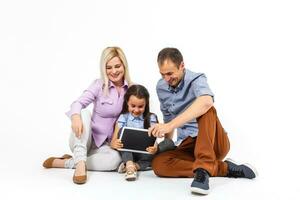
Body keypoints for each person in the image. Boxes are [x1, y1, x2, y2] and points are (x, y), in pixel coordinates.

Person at [149, 47, 258, 195]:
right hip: (187, 145)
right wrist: (165, 144)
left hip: (212, 142)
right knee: (158, 164)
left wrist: (169, 125)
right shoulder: (161, 86)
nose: (167, 79)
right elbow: (168, 118)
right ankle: (222, 168)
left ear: (182, 66)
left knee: (206, 108)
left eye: (170, 73)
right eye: (162, 74)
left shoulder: (196, 79)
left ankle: (204, 169)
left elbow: (206, 102)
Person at [43, 47, 132, 184]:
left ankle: (70, 162)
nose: (114, 71)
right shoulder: (98, 85)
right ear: (104, 68)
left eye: (117, 66)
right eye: (108, 67)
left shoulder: (133, 90)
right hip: (84, 139)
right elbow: (77, 103)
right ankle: (79, 165)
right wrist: (75, 117)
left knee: (115, 160)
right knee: (84, 113)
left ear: (124, 65)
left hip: (106, 146)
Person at [111, 84, 175, 181]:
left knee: (169, 143)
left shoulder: (151, 118)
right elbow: (113, 142)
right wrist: (115, 144)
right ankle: (129, 164)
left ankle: (136, 166)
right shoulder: (123, 117)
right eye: (133, 106)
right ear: (127, 103)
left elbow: (154, 140)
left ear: (146, 105)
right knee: (121, 132)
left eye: (140, 106)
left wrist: (155, 148)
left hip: (146, 154)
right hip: (128, 153)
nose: (136, 110)